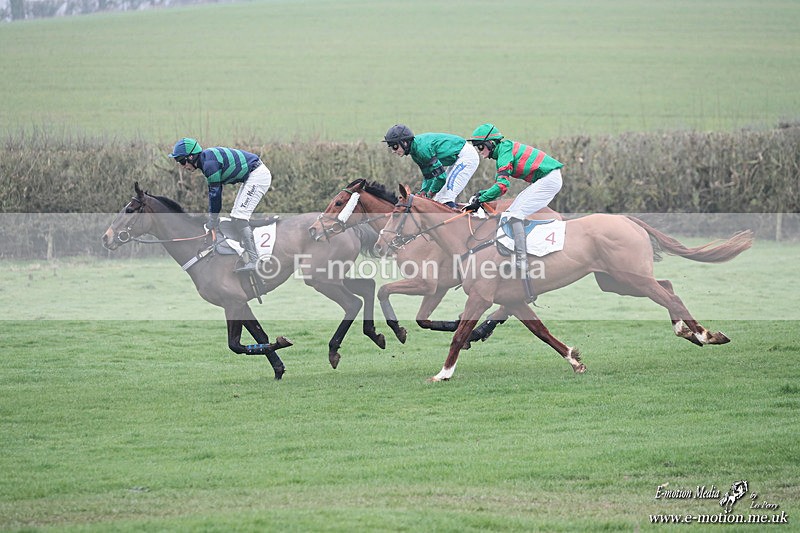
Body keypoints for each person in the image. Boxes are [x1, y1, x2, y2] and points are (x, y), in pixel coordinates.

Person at [462, 123, 564, 303]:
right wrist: (482, 196)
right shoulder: (504, 150)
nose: (478, 150)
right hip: (547, 179)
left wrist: (481, 198)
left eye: (480, 146)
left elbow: (502, 186)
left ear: (491, 143)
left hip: (549, 179)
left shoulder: (504, 152)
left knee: (512, 215)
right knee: (511, 213)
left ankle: (522, 261)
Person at [169, 137, 271, 273]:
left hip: (257, 175)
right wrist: (213, 218)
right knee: (236, 216)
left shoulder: (209, 165)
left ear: (192, 157)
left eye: (182, 161)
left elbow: (215, 195)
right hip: (252, 175)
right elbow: (214, 194)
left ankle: (254, 260)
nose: (182, 166)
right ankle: (246, 253)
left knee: (240, 217)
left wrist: (213, 219)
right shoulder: (206, 160)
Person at [382, 124, 479, 208]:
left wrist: (430, 193)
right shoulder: (415, 153)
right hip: (457, 158)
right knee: (438, 199)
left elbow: (441, 177)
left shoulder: (422, 150)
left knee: (445, 197)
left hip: (466, 156)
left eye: (394, 146)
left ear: (404, 142)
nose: (393, 151)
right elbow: (429, 176)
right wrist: (422, 192)